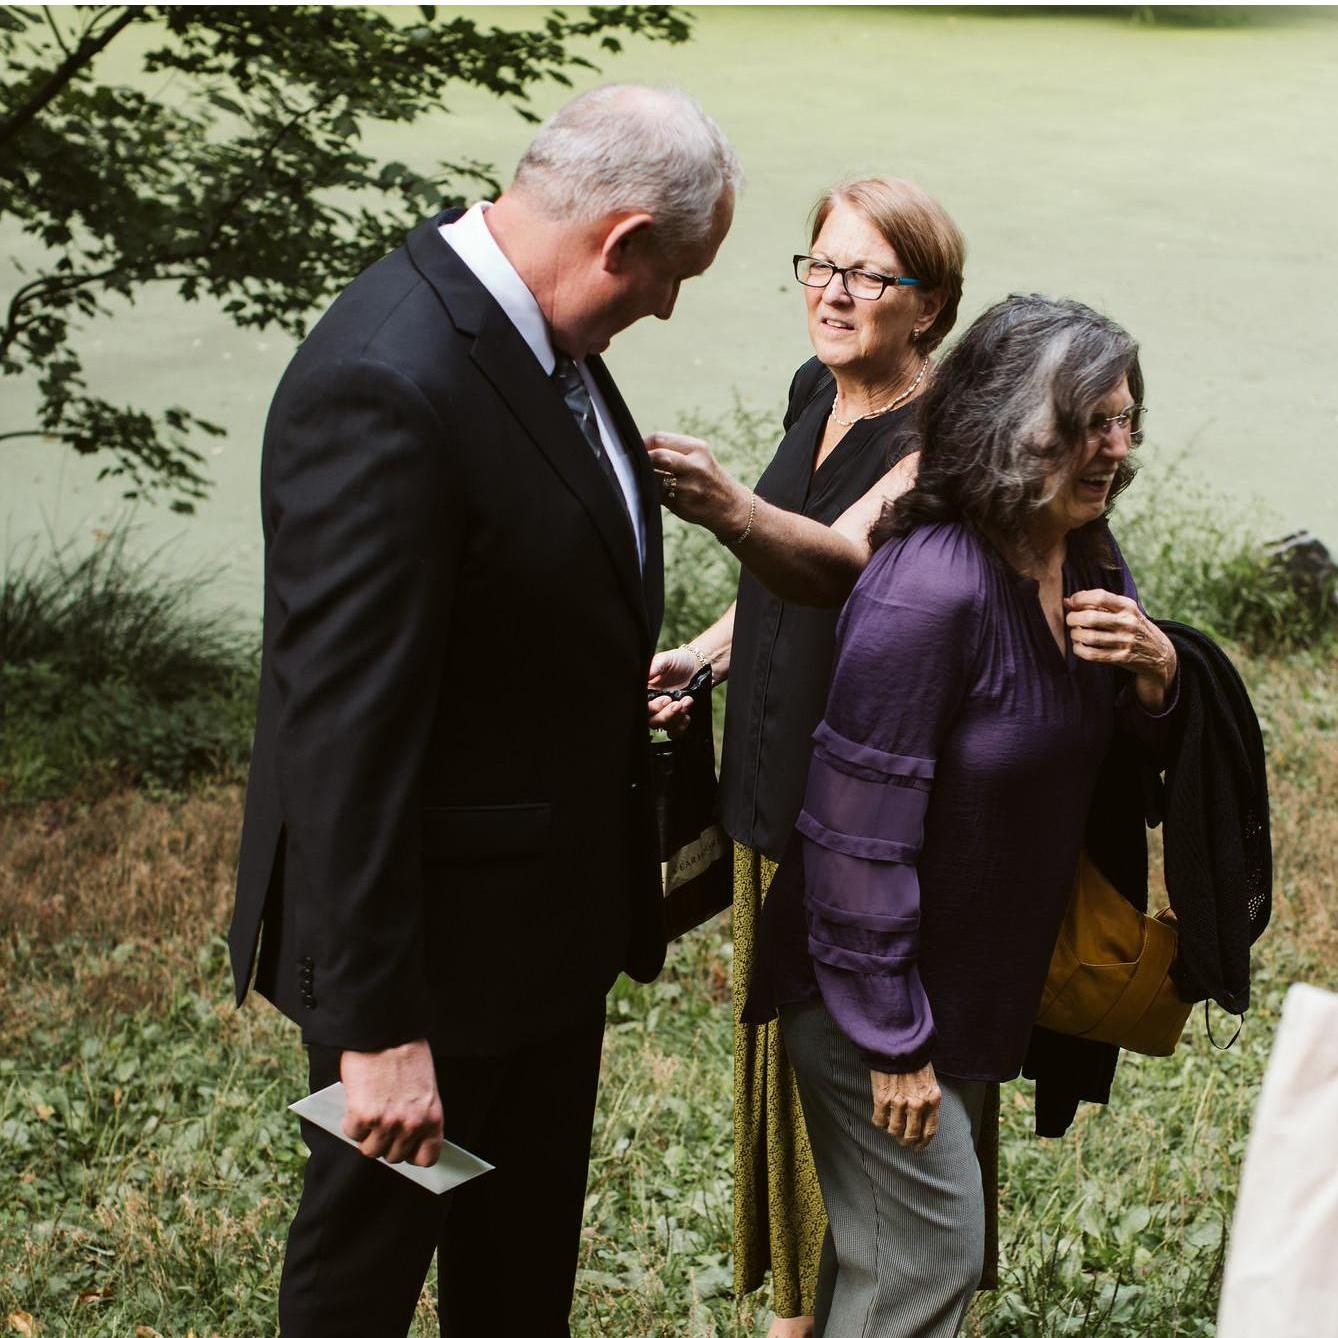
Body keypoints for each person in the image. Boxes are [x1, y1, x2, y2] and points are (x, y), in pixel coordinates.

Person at [227, 85, 740, 1337]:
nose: (668, 306)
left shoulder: (541, 340)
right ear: (621, 241)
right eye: (671, 275)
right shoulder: (387, 382)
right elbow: (340, 733)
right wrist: (381, 1031)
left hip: (542, 939)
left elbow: (501, 594)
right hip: (432, 970)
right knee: (364, 1279)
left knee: (516, 1284)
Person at [745, 293, 1180, 1338]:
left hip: (970, 983)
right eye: (1087, 424)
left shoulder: (1083, 556)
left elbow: (1115, 764)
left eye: (1124, 419)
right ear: (1002, 424)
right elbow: (853, 835)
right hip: (867, 992)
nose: (1114, 447)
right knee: (933, 1253)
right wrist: (892, 1040)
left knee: (896, 1262)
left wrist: (1159, 668)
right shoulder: (927, 592)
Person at [645, 177, 966, 1337]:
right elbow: (778, 583)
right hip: (766, 786)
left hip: (855, 806)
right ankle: (799, 1300)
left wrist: (726, 505)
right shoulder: (811, 393)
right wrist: (707, 653)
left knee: (852, 1065)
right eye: (820, 265)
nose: (834, 293)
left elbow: (833, 560)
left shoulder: (944, 440)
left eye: (871, 275)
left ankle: (870, 1297)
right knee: (784, 1069)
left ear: (926, 307)